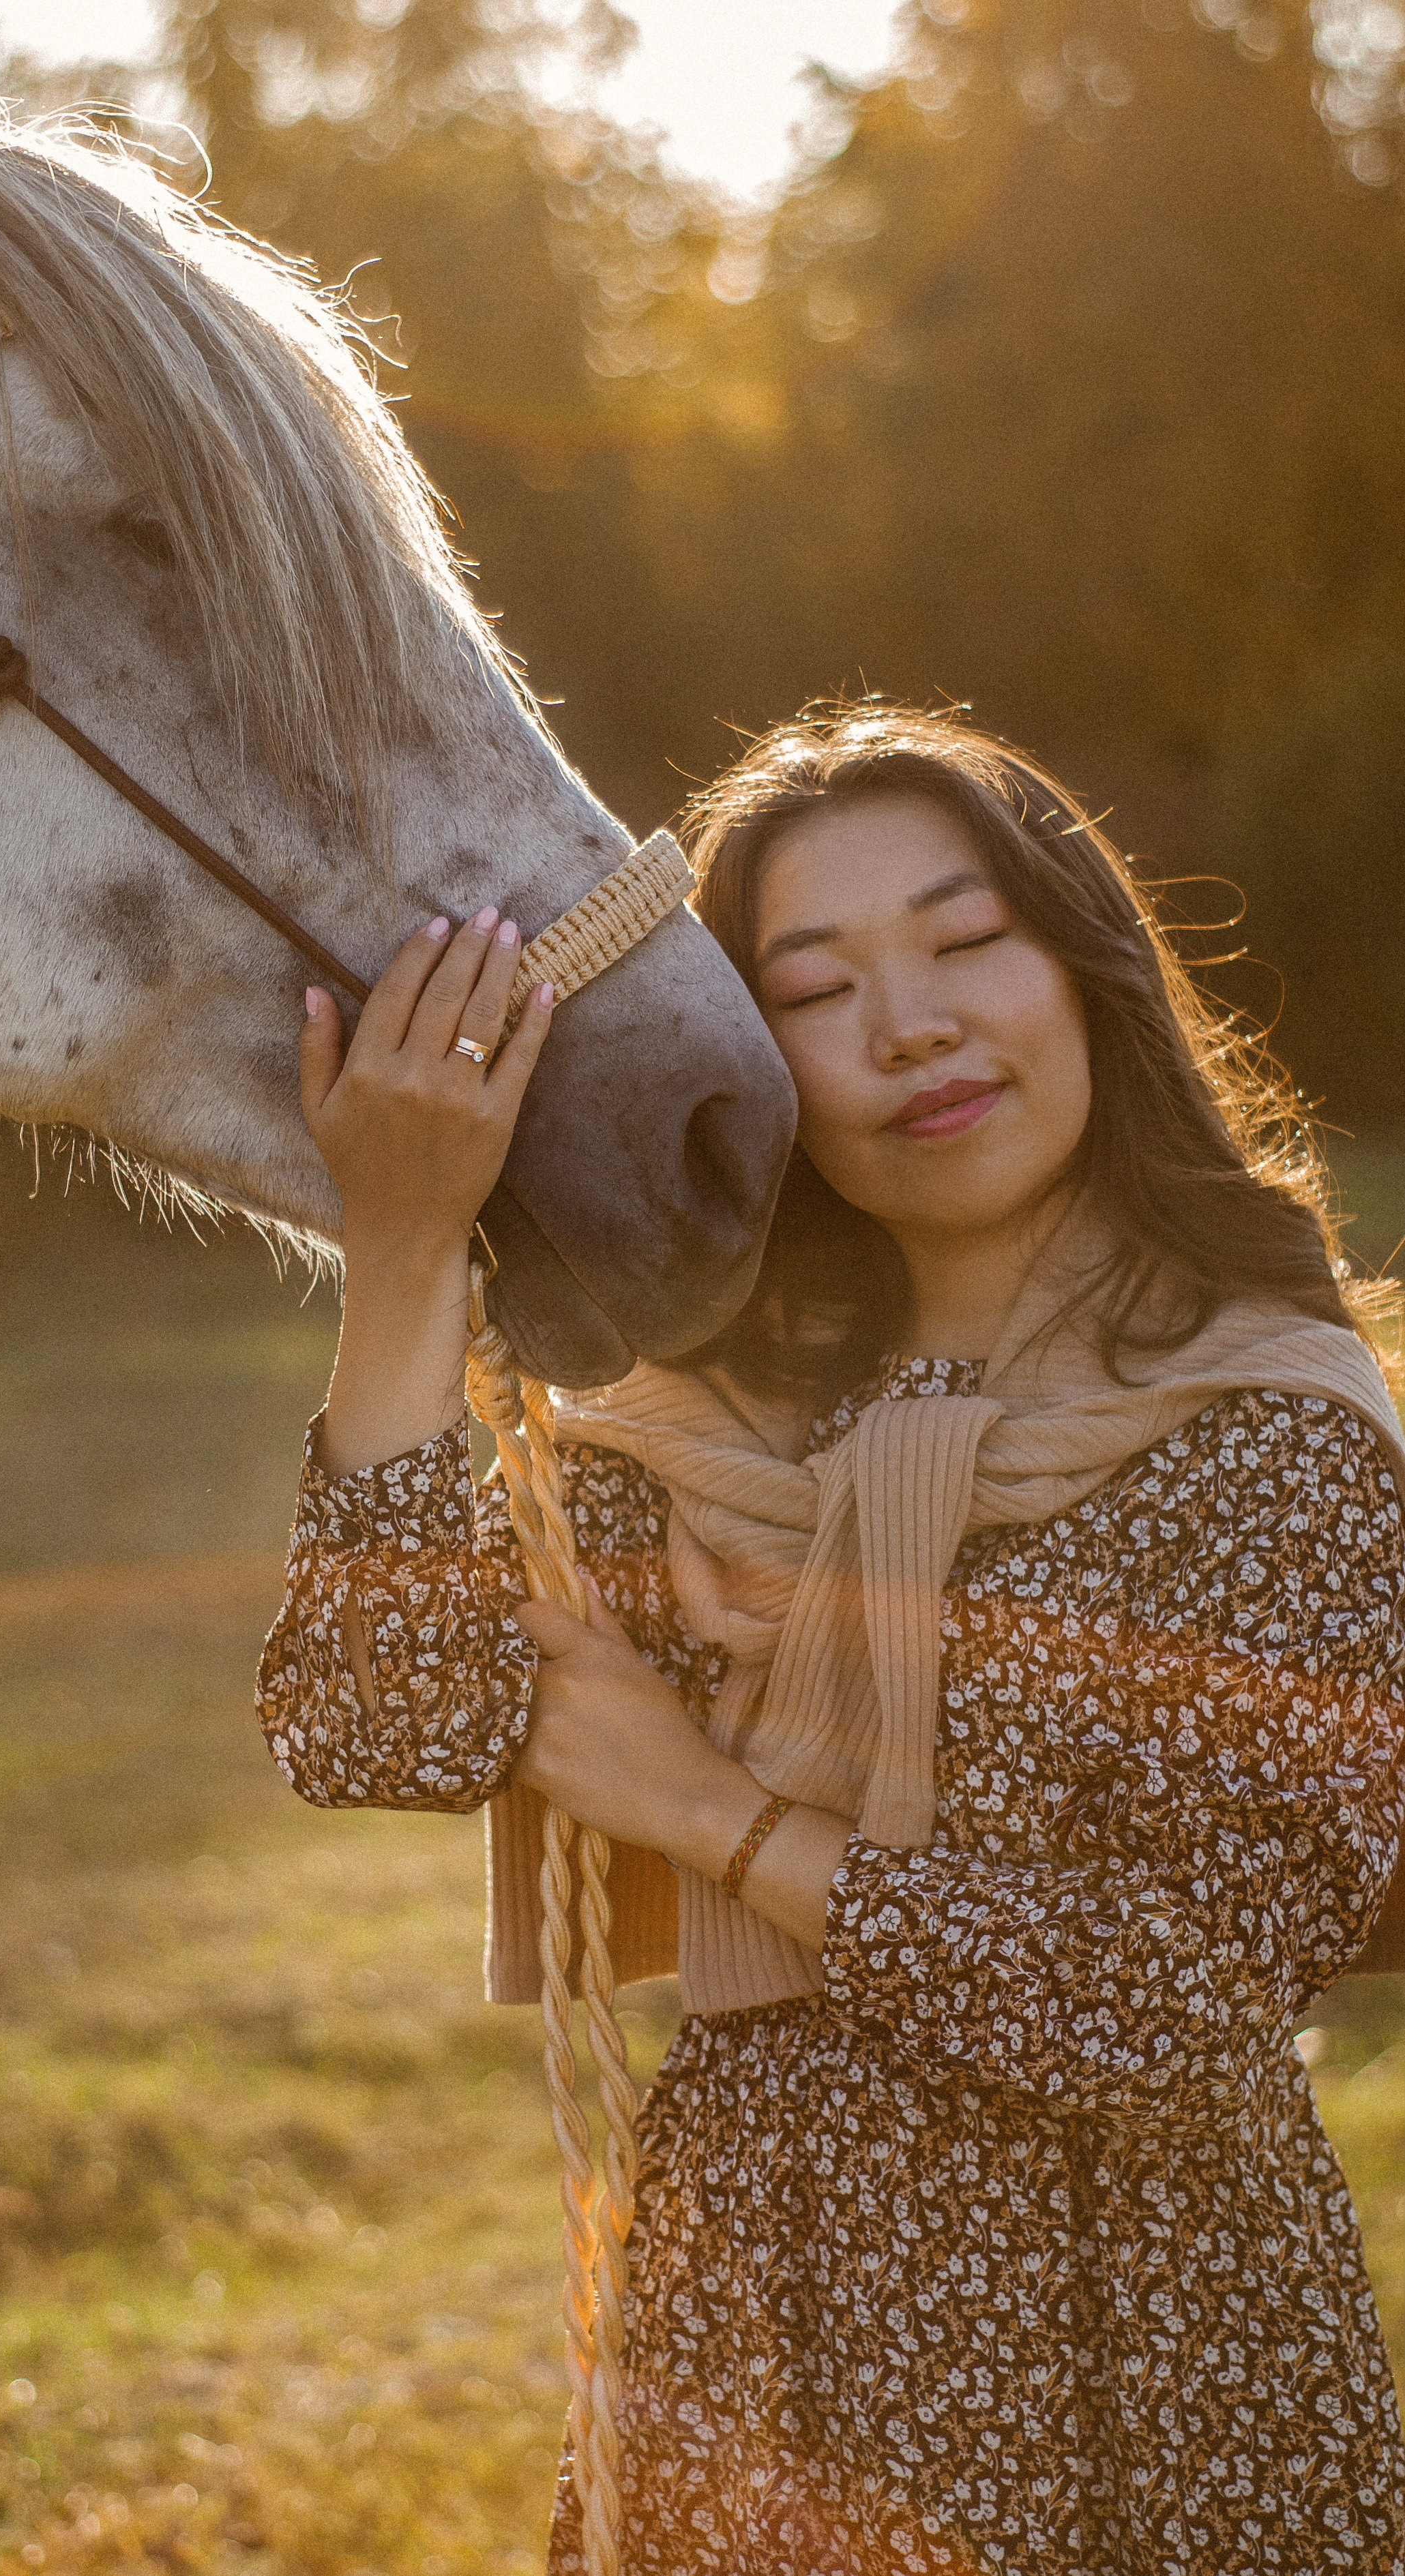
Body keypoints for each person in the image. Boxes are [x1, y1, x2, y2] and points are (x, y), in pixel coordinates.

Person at [257, 703, 1405, 2574]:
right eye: (814, 985)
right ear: (753, 1051)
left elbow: (1171, 1992)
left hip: (1146, 2348)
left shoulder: (1267, 1423)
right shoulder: (696, 1426)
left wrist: (714, 1811)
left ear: (1084, 973)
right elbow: (376, 1719)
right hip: (750, 2323)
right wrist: (400, 1253)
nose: (912, 1026)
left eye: (965, 944)